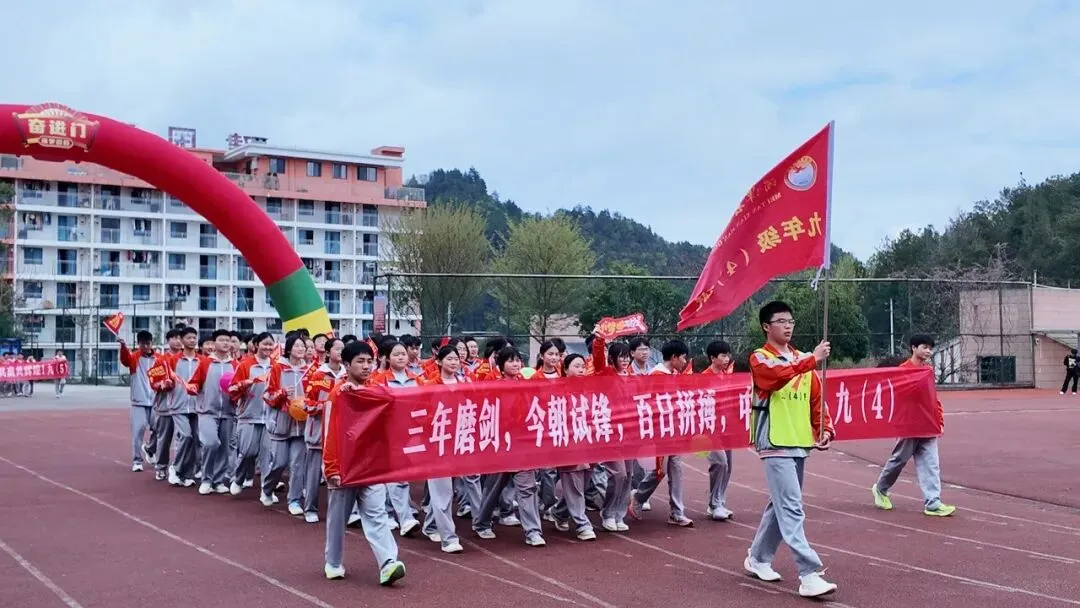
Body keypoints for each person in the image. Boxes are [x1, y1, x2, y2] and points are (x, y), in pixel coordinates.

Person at [743, 301, 837, 598]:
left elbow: (815, 398)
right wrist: (812, 358)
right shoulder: (760, 358)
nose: (788, 326)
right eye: (781, 321)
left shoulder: (802, 359)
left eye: (791, 321)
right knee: (792, 507)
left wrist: (823, 427)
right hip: (774, 440)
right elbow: (775, 376)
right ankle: (809, 572)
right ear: (766, 327)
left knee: (780, 505)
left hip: (798, 441)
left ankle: (757, 558)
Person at [322, 340, 406, 585]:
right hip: (345, 466)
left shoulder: (377, 390)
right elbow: (329, 433)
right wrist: (332, 468)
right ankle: (333, 562)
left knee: (377, 514)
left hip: (370, 465)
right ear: (346, 365)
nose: (366, 366)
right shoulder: (337, 395)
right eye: (360, 361)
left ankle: (388, 562)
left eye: (369, 361)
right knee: (338, 519)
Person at [871, 335, 956, 517]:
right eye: (924, 347)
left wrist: (938, 419)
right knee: (898, 460)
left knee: (931, 464)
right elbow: (898, 396)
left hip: (927, 425)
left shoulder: (928, 371)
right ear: (913, 348)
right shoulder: (902, 371)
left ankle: (933, 502)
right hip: (908, 425)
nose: (928, 351)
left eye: (930, 348)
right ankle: (881, 488)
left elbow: (932, 398)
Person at [701, 340, 735, 521]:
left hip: (726, 427)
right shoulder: (703, 378)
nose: (726, 358)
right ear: (713, 358)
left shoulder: (727, 376)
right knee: (719, 463)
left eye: (727, 355)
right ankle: (714, 504)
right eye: (723, 355)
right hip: (709, 429)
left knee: (728, 466)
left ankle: (719, 501)